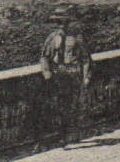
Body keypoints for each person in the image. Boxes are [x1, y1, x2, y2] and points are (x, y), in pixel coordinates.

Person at [39, 8, 91, 147]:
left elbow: (85, 59)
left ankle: (72, 134)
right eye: (59, 22)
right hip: (58, 74)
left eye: (64, 22)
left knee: (73, 105)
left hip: (73, 73)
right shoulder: (52, 38)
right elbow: (44, 56)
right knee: (59, 105)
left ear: (69, 23)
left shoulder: (77, 38)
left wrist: (86, 77)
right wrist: (47, 72)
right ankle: (62, 135)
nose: (62, 25)